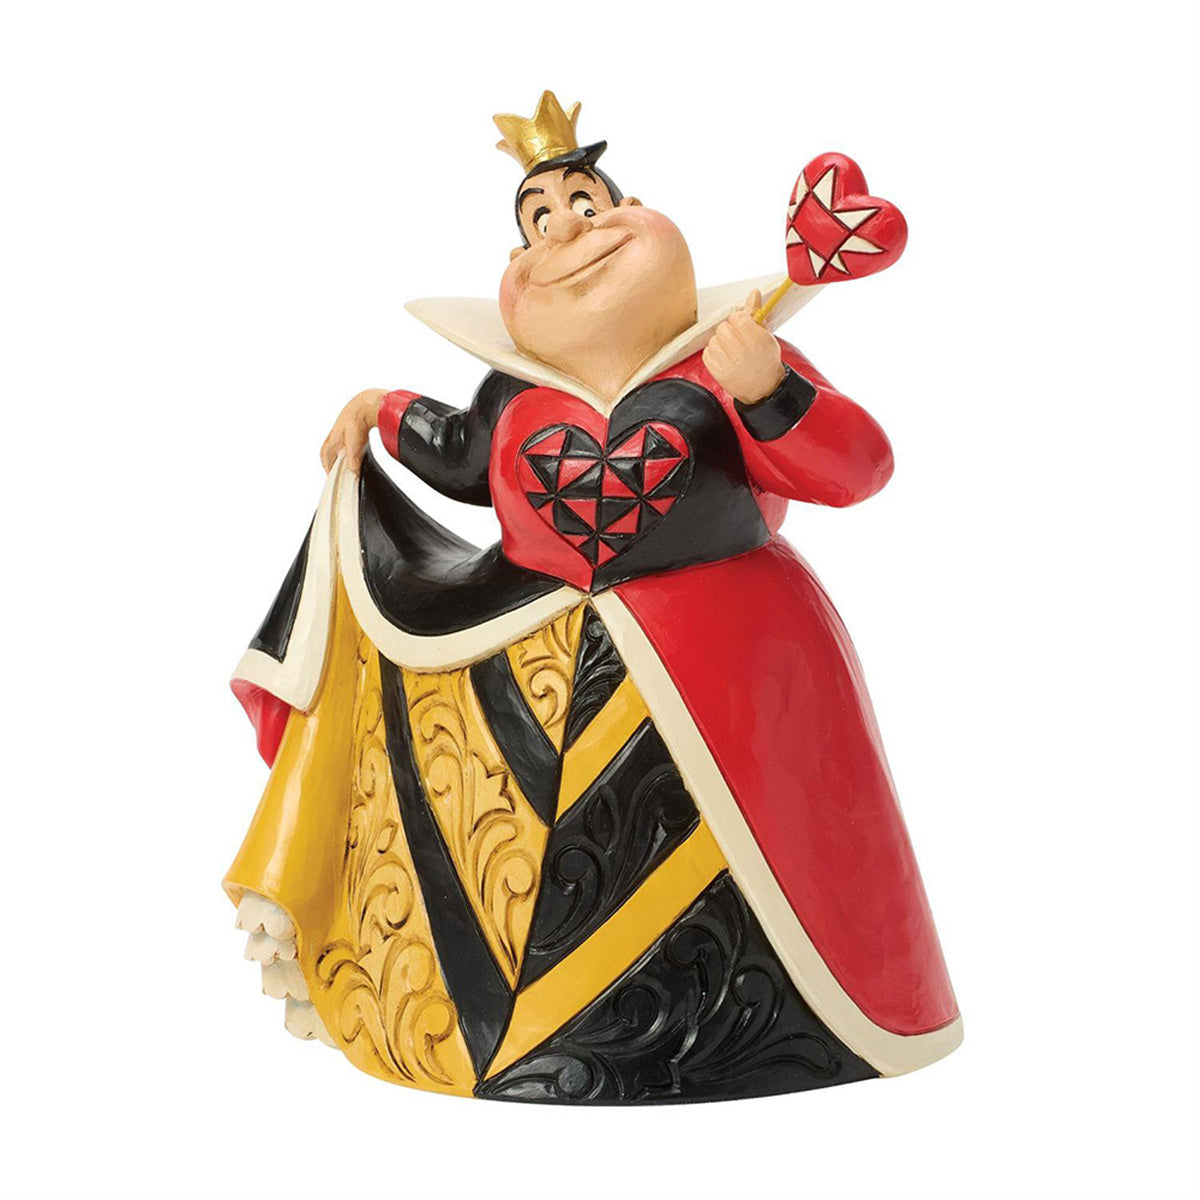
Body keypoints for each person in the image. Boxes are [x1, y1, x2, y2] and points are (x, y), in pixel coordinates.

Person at [226, 90, 961, 1104]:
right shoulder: (516, 393)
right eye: (537, 222)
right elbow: (459, 455)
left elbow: (856, 468)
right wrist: (383, 409)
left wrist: (770, 393)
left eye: (587, 203)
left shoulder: (731, 357)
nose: (566, 232)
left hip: (733, 678)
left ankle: (794, 1025)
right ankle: (503, 1030)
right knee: (518, 878)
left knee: (765, 868)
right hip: (525, 691)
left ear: (642, 215)